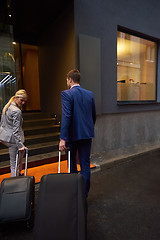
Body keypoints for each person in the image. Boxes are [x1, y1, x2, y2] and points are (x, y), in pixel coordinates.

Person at [59, 69, 96, 197]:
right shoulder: (89, 94)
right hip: (86, 134)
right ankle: (83, 194)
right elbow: (93, 115)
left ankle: (74, 192)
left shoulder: (66, 94)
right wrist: (88, 129)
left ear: (70, 79)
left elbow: (66, 116)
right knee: (85, 163)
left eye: (67, 80)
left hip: (72, 136)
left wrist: (63, 138)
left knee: (72, 163)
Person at [0, 89, 28, 177]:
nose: (23, 103)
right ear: (16, 98)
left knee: (18, 159)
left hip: (5, 137)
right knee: (14, 163)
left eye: (25, 101)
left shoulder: (7, 106)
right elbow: (16, 131)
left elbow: (2, 123)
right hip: (13, 139)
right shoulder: (17, 111)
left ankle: (18, 175)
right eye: (21, 100)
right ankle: (15, 183)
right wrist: (20, 145)